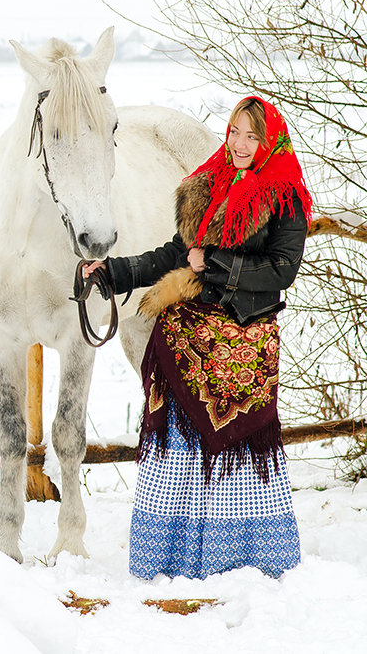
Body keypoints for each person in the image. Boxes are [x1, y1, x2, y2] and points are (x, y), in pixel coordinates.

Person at [83, 95, 312, 580]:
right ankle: (171, 558)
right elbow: (176, 254)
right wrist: (115, 272)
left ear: (269, 139)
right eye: (235, 133)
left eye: (253, 135)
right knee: (180, 450)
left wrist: (217, 265)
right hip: (191, 335)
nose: (242, 144)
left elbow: (282, 270)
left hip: (244, 339)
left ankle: (240, 561)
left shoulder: (284, 194)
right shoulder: (209, 185)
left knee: (236, 457)